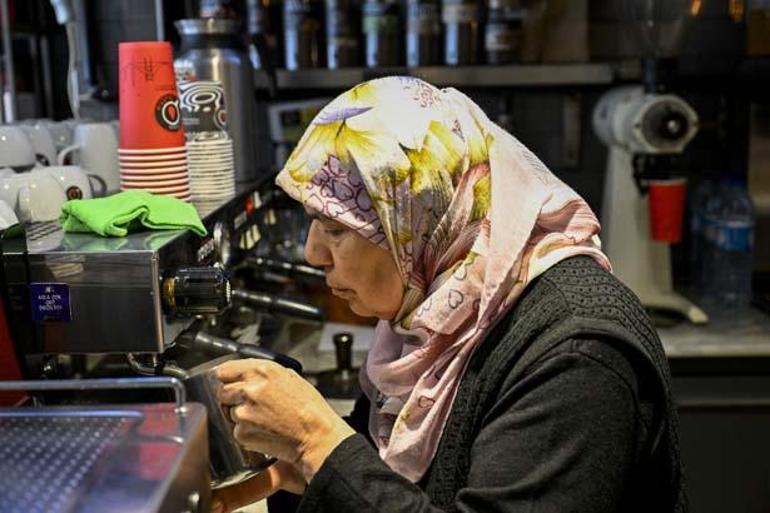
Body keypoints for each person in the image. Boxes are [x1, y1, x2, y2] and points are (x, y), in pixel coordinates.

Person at [212, 77, 685, 513]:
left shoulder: (576, 352)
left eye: (335, 228)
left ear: (420, 222)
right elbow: (386, 474)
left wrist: (316, 442)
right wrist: (308, 473)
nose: (313, 253)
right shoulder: (435, 318)